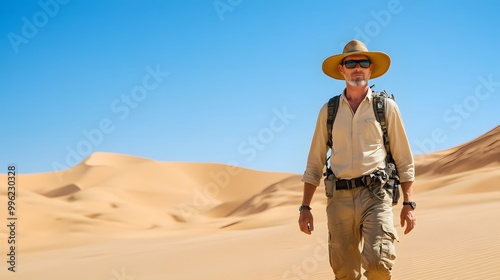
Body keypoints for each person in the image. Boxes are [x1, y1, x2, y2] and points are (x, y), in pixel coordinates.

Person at [298, 40, 416, 280]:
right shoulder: (328, 111)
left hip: (376, 195)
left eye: (363, 62)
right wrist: (305, 207)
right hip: (339, 199)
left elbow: (404, 157)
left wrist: (409, 203)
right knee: (345, 274)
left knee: (378, 265)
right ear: (342, 69)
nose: (357, 68)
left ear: (370, 68)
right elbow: (315, 162)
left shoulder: (386, 108)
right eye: (351, 62)